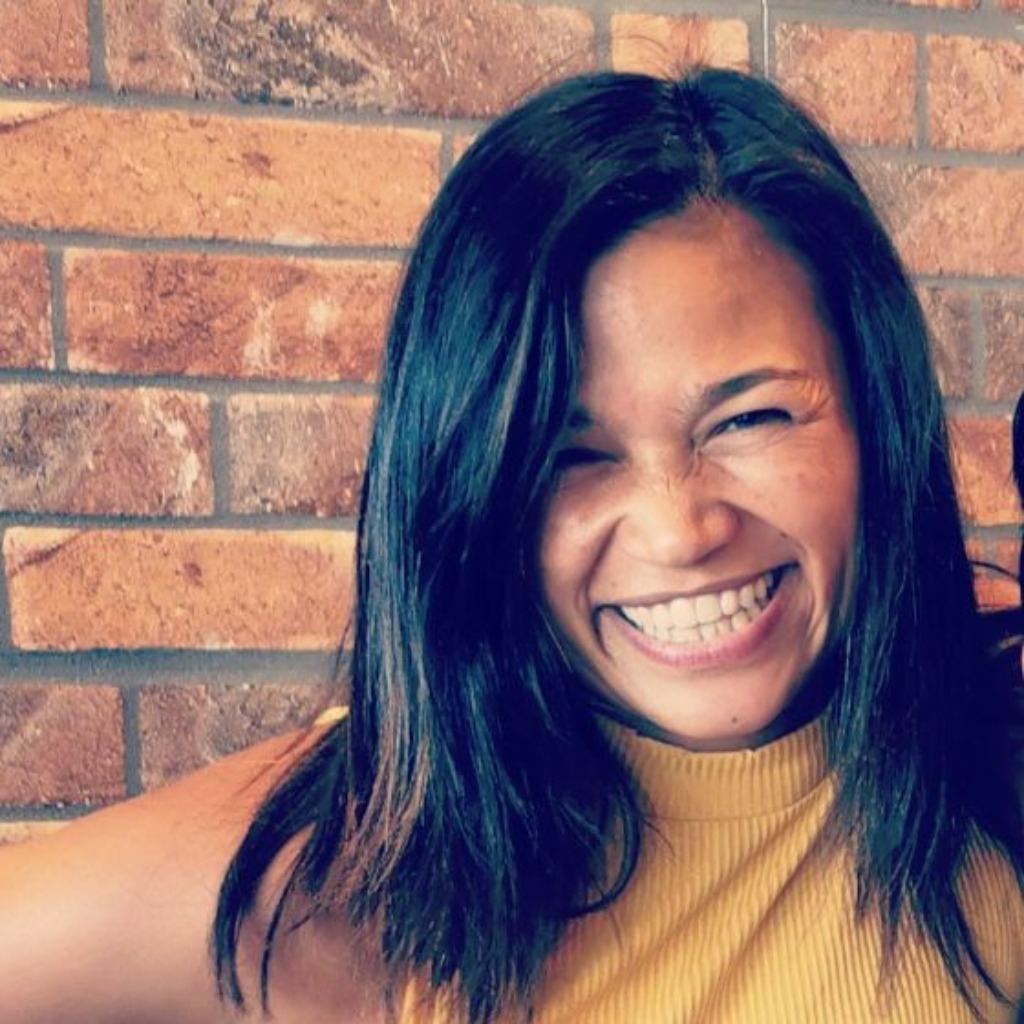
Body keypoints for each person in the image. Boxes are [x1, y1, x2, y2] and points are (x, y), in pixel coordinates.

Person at [1, 68, 1021, 1024]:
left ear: (874, 418)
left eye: (750, 418)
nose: (680, 529)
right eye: (567, 457)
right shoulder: (369, 850)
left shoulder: (985, 763)